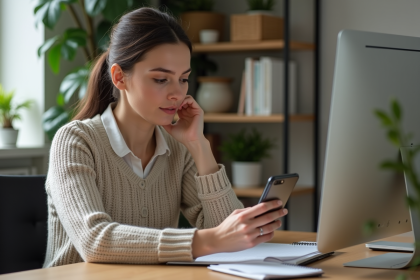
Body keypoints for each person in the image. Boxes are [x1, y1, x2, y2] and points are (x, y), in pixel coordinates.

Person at [43, 7, 288, 268]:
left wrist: (199, 146)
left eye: (183, 79)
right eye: (161, 79)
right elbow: (95, 241)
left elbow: (229, 237)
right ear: (119, 78)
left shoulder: (176, 148)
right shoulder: (75, 141)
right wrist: (211, 240)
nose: (177, 93)